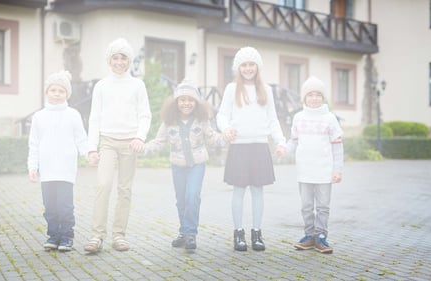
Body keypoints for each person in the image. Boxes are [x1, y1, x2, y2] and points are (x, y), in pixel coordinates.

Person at [84, 38, 152, 253]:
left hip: (130, 143)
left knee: (124, 190)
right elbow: (94, 118)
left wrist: (140, 137)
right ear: (109, 60)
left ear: (129, 61)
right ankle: (96, 236)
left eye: (124, 58)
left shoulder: (137, 85)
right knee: (103, 185)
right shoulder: (101, 86)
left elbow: (145, 115)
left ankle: (119, 235)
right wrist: (91, 147)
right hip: (107, 142)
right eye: (116, 57)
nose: (120, 62)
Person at [141, 80, 225, 251]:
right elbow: (159, 142)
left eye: (190, 100)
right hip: (177, 165)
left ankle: (191, 233)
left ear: (196, 103)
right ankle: (183, 231)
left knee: (192, 196)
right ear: (176, 102)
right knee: (181, 200)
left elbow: (213, 138)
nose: (186, 103)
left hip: (197, 164)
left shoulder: (202, 120)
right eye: (182, 100)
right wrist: (142, 148)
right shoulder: (169, 122)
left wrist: (226, 138)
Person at [216, 46, 286, 252]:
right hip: (239, 146)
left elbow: (272, 119)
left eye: (251, 64)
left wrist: (280, 141)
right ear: (238, 68)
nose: (247, 68)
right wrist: (226, 128)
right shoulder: (231, 89)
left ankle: (257, 233)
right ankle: (238, 233)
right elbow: (221, 115)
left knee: (257, 191)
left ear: (257, 67)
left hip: (260, 146)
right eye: (244, 65)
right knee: (238, 190)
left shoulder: (266, 90)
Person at [27, 70, 89, 252]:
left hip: (65, 170)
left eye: (61, 91)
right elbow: (34, 144)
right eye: (53, 90)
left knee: (65, 206)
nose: (57, 94)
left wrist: (88, 153)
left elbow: (81, 139)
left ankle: (67, 237)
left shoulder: (73, 114)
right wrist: (33, 166)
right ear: (47, 92)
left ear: (67, 94)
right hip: (47, 171)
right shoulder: (39, 116)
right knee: (50, 207)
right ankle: (53, 236)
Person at [287, 76, 344, 254]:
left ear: (323, 97)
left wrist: (337, 170)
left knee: (322, 207)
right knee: (305, 206)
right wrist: (283, 150)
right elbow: (293, 142)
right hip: (304, 171)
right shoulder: (298, 118)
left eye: (318, 94)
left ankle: (321, 237)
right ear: (304, 98)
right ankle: (309, 236)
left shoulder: (330, 119)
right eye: (310, 95)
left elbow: (337, 146)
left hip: (324, 172)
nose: (314, 98)